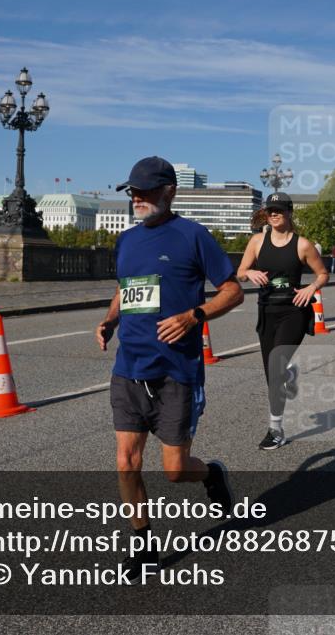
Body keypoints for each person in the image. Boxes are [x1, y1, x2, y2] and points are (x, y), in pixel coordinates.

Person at [96, 156, 243, 581]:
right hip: (130, 367)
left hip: (177, 369)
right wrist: (110, 320)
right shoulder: (126, 241)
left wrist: (194, 315)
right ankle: (143, 548)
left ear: (169, 191)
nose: (137, 198)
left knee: (175, 471)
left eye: (145, 191)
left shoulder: (193, 236)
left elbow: (233, 292)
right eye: (133, 192)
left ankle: (212, 474)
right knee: (127, 462)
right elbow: (125, 289)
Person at [238, 191, 329, 450]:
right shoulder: (257, 242)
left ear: (289, 213)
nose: (274, 214)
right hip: (266, 311)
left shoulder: (302, 245)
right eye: (270, 210)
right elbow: (240, 272)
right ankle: (289, 374)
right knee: (272, 375)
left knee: (276, 364)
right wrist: (250, 272)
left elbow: (322, 273)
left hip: (293, 312)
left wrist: (311, 289)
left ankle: (275, 430)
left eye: (279, 210)